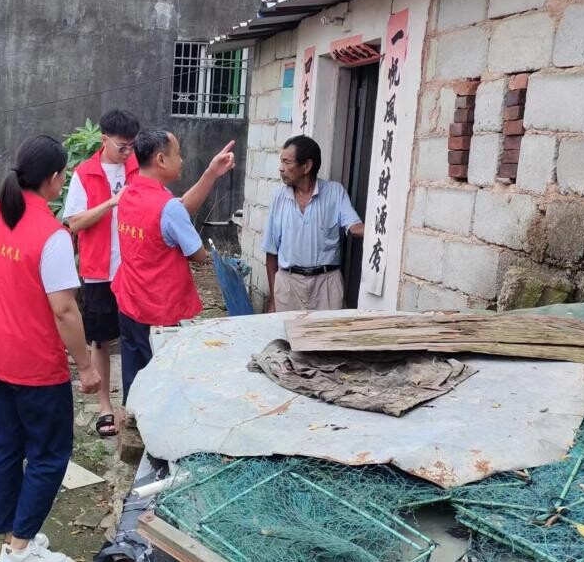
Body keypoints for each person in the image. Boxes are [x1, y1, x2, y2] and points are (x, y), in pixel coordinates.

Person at [0, 135, 102, 562]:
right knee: (49, 454)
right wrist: (86, 365)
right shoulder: (53, 236)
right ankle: (21, 549)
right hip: (33, 363)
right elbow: (64, 310)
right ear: (54, 178)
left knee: (8, 447)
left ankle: (13, 534)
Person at [112, 129, 235, 401]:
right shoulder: (167, 207)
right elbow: (198, 255)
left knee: (135, 379)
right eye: (178, 154)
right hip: (159, 311)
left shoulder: (129, 193)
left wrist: (210, 173)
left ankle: (132, 419)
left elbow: (176, 209)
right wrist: (205, 252)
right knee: (162, 385)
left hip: (129, 302)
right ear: (160, 159)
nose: (182, 160)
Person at [61, 109, 139, 434]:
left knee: (137, 336)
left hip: (135, 268)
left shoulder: (138, 167)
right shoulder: (86, 173)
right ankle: (105, 406)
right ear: (104, 139)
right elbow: (74, 222)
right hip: (100, 270)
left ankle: (134, 405)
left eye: (132, 145)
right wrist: (111, 203)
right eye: (122, 146)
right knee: (102, 340)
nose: (128, 152)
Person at [263, 135, 364, 313]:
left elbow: (355, 227)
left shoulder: (335, 193)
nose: (281, 168)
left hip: (326, 284)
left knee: (328, 331)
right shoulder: (279, 197)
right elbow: (271, 252)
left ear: (307, 166)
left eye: (287, 162)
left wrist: (383, 234)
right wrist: (273, 300)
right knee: (287, 331)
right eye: (281, 162)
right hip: (288, 285)